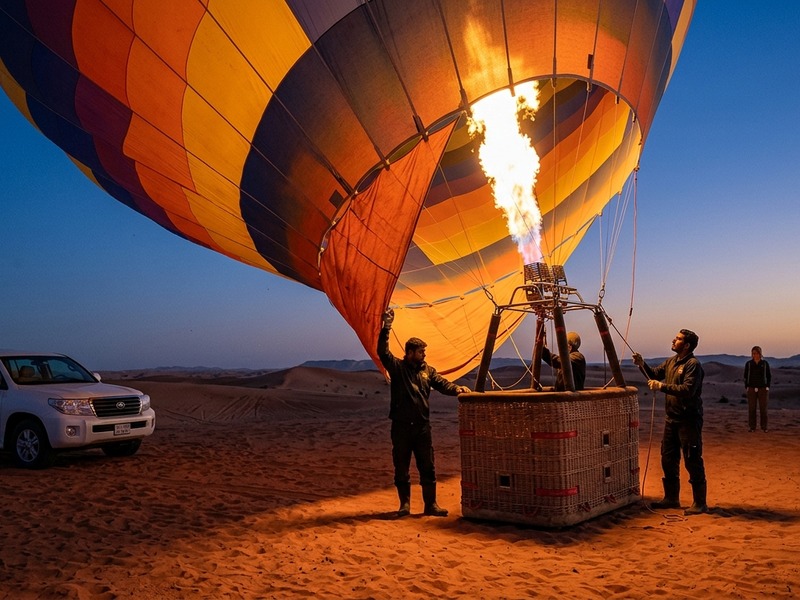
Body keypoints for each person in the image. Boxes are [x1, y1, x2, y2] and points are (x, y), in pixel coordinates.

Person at [378, 308, 471, 518]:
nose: (424, 355)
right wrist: (387, 327)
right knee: (401, 467)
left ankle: (431, 505)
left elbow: (442, 384)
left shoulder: (427, 371)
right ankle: (405, 506)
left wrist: (457, 388)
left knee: (427, 467)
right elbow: (383, 353)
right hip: (401, 428)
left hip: (422, 428)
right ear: (410, 353)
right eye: (420, 352)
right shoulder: (397, 368)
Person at [632, 329, 708, 515]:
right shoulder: (671, 362)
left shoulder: (693, 365)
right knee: (668, 458)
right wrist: (642, 365)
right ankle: (671, 498)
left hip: (688, 421)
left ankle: (700, 503)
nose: (674, 340)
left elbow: (687, 389)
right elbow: (654, 375)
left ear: (687, 345)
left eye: (679, 339)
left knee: (692, 460)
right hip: (671, 419)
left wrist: (662, 387)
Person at [744, 346, 771, 432]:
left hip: (763, 388)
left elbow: (768, 375)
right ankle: (752, 427)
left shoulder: (765, 363)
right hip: (751, 388)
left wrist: (767, 386)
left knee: (763, 409)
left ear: (760, 354)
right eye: (753, 353)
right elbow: (745, 376)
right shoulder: (749, 364)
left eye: (757, 353)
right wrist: (747, 386)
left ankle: (764, 427)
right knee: (752, 409)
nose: (755, 355)